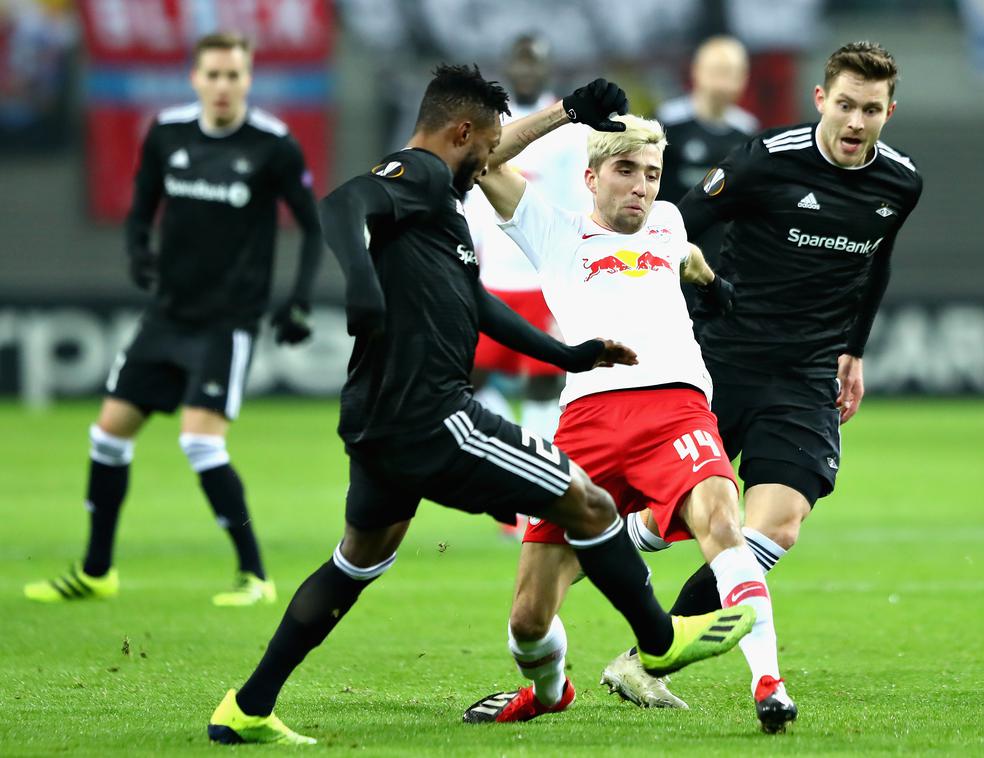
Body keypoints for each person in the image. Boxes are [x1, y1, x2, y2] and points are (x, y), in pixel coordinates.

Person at [205, 66, 754, 746]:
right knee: (588, 502)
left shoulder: (444, 214)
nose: (492, 154)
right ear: (465, 133)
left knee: (356, 562)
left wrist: (570, 356)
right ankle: (661, 638)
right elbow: (341, 203)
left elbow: (476, 303)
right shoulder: (426, 175)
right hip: (433, 417)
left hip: (376, 421)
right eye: (488, 140)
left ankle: (248, 705)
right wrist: (360, 287)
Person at [605, 40, 925, 705]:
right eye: (845, 105)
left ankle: (644, 661)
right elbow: (674, 224)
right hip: (718, 362)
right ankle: (623, 541)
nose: (856, 123)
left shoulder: (900, 183)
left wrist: (854, 350)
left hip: (805, 374)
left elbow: (878, 262)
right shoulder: (764, 160)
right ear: (820, 100)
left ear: (890, 110)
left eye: (871, 109)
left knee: (775, 527)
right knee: (660, 514)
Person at [459, 108, 795, 734]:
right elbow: (482, 157)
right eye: (626, 171)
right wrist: (564, 114)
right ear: (590, 178)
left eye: (652, 173)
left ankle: (768, 684)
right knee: (529, 620)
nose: (642, 185)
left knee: (723, 520)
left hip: (677, 408)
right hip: (586, 423)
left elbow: (685, 250)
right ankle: (550, 690)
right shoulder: (552, 230)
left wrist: (710, 282)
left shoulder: (666, 220)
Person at [23, 32, 322, 608]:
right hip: (167, 315)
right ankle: (96, 571)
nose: (222, 86)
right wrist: (137, 247)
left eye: (233, 75)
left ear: (248, 79)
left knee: (199, 442)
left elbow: (310, 227)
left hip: (227, 320)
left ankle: (255, 576)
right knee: (107, 436)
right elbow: (142, 202)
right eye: (212, 75)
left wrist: (299, 300)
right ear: (195, 78)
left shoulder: (273, 145)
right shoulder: (167, 134)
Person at [465, 33, 591, 539]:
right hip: (492, 275)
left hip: (542, 276)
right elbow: (472, 196)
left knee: (544, 382)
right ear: (507, 66)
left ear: (547, 68)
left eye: (535, 62)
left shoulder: (568, 131)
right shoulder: (485, 125)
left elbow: (579, 199)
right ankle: (513, 477)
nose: (526, 70)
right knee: (471, 379)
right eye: (519, 61)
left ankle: (535, 492)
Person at [657, 36, 759, 320]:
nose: (723, 81)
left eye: (731, 73)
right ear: (697, 71)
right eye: (716, 70)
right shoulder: (667, 124)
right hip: (665, 258)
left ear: (744, 78)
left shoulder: (748, 134)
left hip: (720, 266)